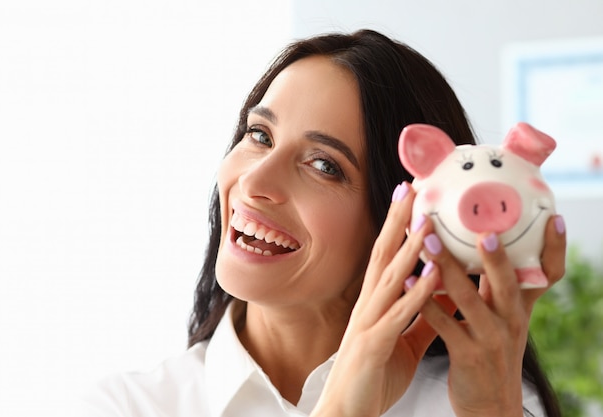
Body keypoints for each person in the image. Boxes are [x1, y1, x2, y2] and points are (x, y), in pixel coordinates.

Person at [81, 29, 567, 417]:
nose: (255, 182)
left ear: (402, 220)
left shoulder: (483, 406)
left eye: (324, 165)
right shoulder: (129, 406)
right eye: (259, 135)